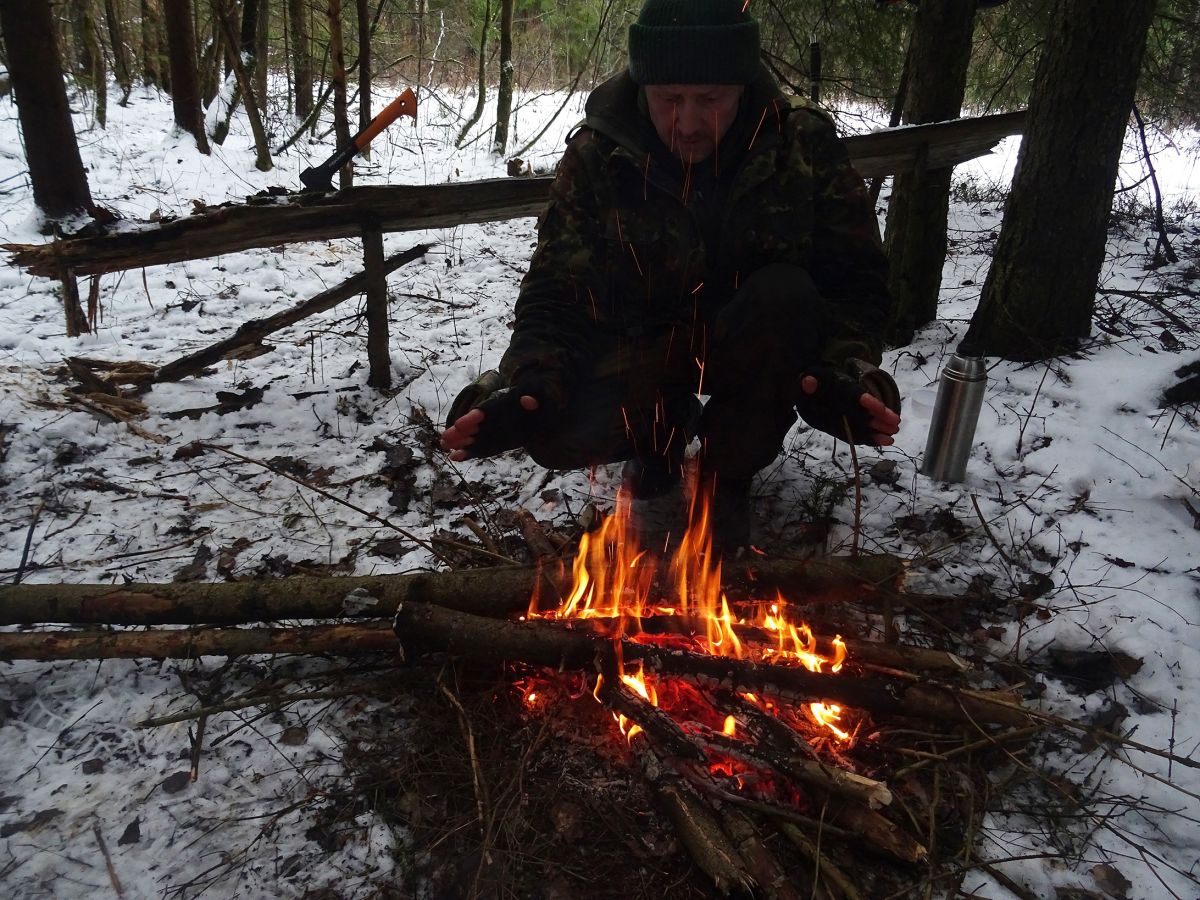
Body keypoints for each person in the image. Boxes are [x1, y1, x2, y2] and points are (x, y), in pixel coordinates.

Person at [441, 0, 901, 552]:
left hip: (753, 344)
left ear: (742, 86)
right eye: (668, 99)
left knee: (785, 294)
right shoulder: (599, 152)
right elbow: (555, 291)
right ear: (643, 87)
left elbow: (855, 279)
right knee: (559, 428)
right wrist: (528, 382)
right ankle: (658, 442)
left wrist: (844, 370)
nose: (686, 124)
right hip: (643, 347)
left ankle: (726, 471)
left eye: (709, 99)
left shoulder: (801, 142)